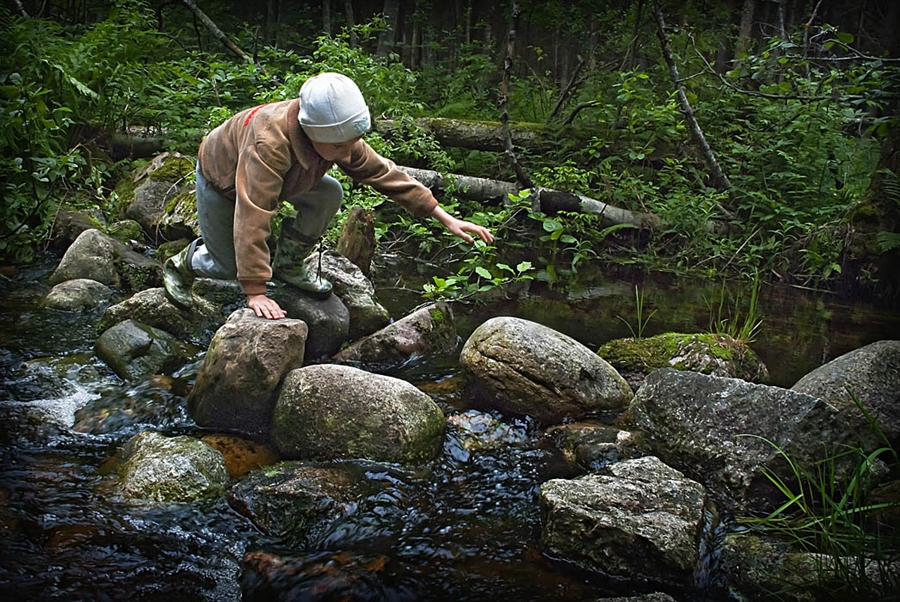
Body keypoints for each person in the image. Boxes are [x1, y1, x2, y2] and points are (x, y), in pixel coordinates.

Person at [163, 72, 493, 320]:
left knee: (329, 192)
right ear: (311, 131)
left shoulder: (337, 136)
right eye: (339, 146)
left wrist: (444, 217)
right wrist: (255, 291)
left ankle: (289, 265)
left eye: (353, 142)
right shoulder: (269, 143)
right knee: (226, 266)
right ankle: (181, 264)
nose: (348, 153)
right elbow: (253, 213)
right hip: (222, 178)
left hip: (283, 177)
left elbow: (385, 174)